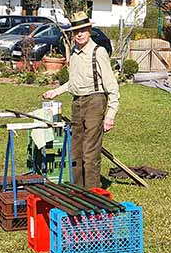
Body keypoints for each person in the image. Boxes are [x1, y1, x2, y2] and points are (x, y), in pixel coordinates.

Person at [42, 11, 120, 189]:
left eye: (83, 30)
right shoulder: (75, 53)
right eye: (76, 31)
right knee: (75, 152)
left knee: (90, 153)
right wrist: (55, 92)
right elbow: (74, 82)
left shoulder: (98, 52)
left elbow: (112, 86)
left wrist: (110, 115)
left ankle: (92, 195)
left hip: (95, 102)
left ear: (89, 30)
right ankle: (77, 191)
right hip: (77, 103)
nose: (79, 34)